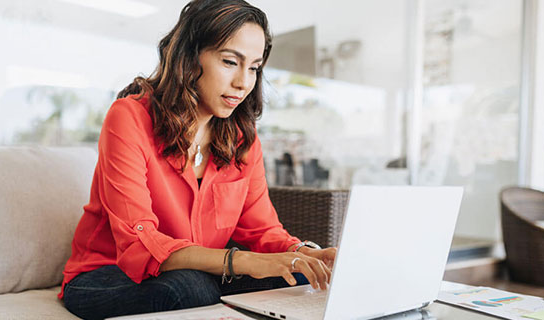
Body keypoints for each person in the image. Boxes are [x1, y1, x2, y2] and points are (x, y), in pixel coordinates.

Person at [59, 0, 337, 318]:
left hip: (204, 273)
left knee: (301, 276)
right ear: (191, 57)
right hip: (106, 276)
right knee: (192, 287)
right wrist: (241, 261)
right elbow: (140, 242)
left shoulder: (243, 139)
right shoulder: (130, 117)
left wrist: (305, 254)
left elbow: (262, 231)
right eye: (231, 62)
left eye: (254, 67)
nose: (244, 82)